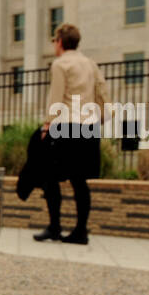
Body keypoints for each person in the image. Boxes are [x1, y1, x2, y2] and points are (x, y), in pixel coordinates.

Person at [35, 23, 108, 245]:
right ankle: (80, 231)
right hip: (88, 127)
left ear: (59, 42)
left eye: (54, 42)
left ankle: (55, 226)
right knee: (79, 181)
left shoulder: (60, 64)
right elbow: (102, 93)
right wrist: (100, 118)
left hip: (66, 127)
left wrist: (48, 125)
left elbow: (56, 99)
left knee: (48, 177)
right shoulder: (90, 64)